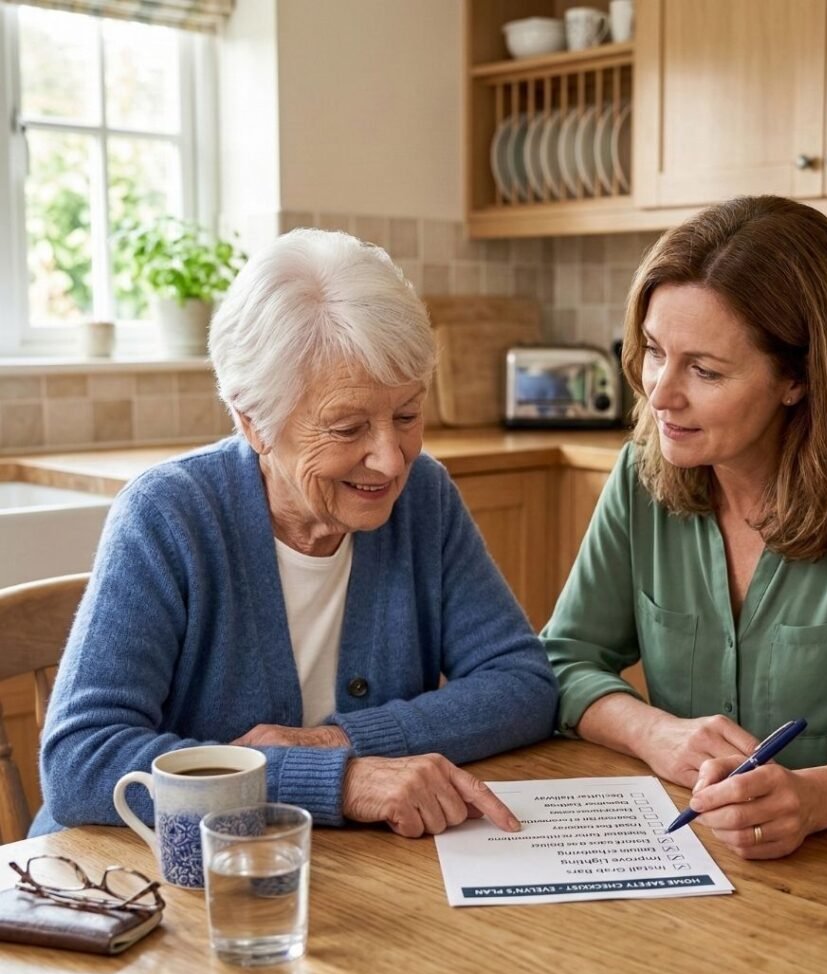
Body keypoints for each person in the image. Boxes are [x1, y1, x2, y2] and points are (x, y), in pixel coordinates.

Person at [35, 229, 558, 839]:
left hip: (336, 871)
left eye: (407, 416)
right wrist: (334, 779)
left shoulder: (424, 498)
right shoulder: (167, 515)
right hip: (147, 878)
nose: (391, 460)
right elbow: (80, 762)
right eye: (347, 428)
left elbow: (522, 686)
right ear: (253, 422)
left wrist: (339, 741)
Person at [541, 195, 827, 860]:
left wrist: (811, 799)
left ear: (798, 379)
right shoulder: (642, 471)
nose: (661, 393)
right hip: (704, 859)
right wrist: (656, 734)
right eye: (657, 352)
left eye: (705, 370)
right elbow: (560, 661)